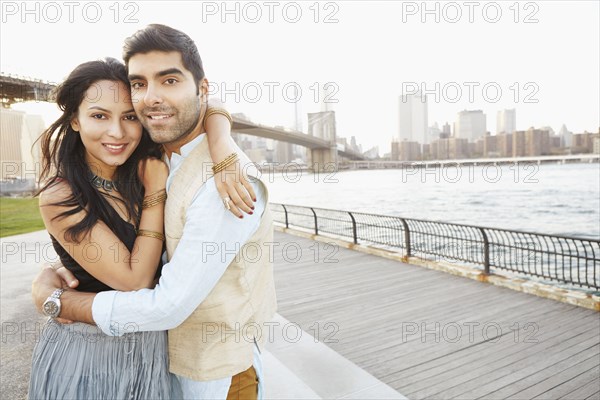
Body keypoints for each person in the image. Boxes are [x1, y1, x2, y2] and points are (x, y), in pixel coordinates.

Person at [32, 24, 277, 399]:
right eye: (140, 85)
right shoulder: (152, 155)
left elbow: (167, 306)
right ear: (76, 120)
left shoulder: (225, 183)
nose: (150, 99)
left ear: (202, 87)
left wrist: (60, 301)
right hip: (131, 366)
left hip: (213, 378)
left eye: (169, 80)